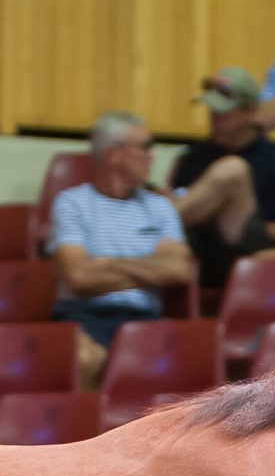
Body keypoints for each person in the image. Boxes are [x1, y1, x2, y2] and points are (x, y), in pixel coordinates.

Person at [48, 111, 194, 385]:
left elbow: (179, 270)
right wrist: (149, 266)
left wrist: (105, 264)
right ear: (114, 154)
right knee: (80, 358)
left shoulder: (159, 206)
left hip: (145, 319)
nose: (153, 155)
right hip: (84, 316)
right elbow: (79, 277)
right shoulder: (71, 203)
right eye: (145, 146)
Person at [168, 68, 275, 291]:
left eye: (223, 115)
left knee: (233, 171)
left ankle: (150, 224)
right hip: (199, 253)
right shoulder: (191, 157)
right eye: (211, 113)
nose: (214, 121)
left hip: (247, 247)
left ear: (250, 112)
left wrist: (222, 212)